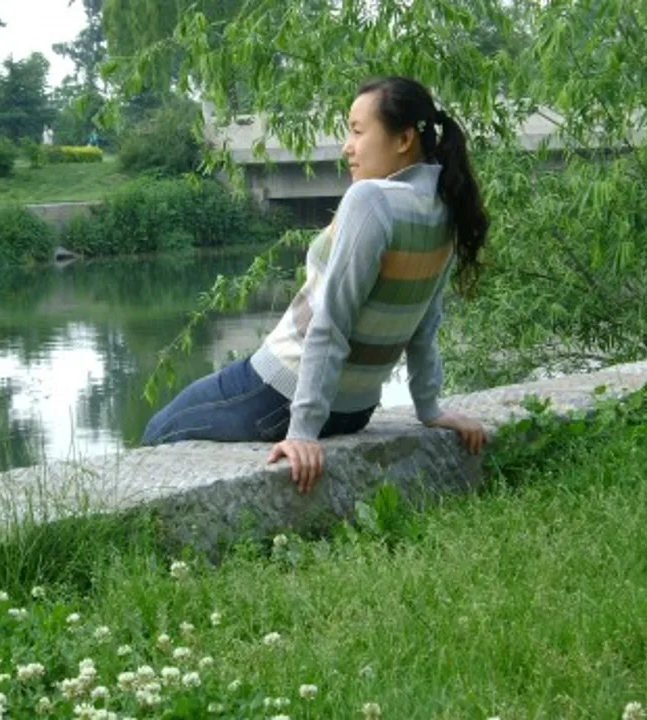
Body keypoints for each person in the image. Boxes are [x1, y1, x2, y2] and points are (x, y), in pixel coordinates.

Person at [140, 76, 491, 494]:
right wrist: (429, 409)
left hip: (276, 392)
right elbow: (424, 323)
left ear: (404, 140)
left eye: (357, 131)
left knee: (159, 429)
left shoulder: (371, 200)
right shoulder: (448, 208)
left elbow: (332, 321)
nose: (347, 147)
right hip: (355, 411)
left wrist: (302, 430)